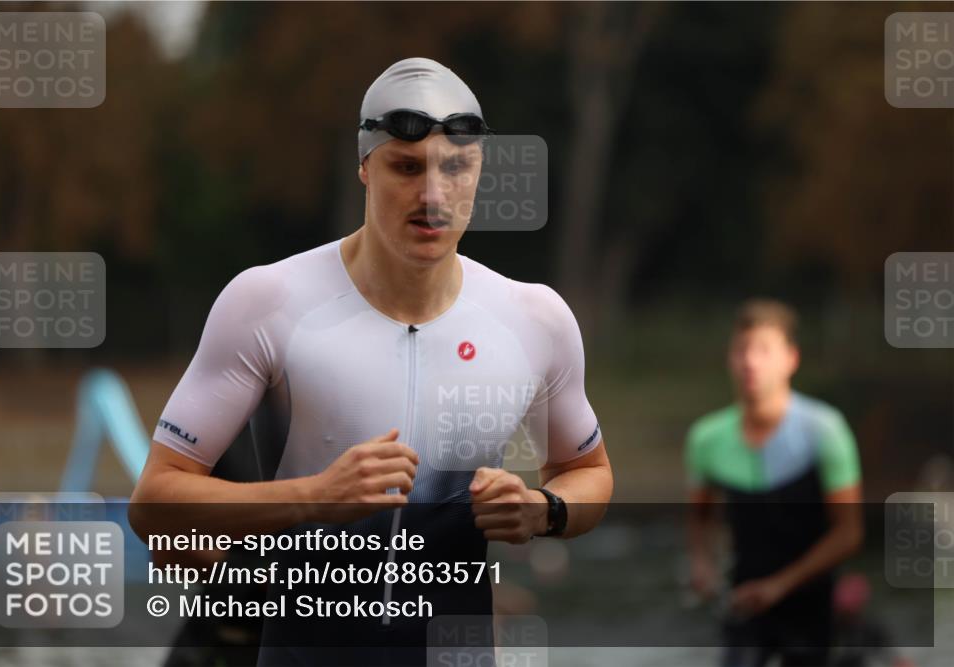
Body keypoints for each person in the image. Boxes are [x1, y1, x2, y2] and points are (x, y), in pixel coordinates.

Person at [130, 57, 613, 666]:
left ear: (479, 171)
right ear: (364, 166)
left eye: (456, 168)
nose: (433, 196)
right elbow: (154, 503)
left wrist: (545, 511)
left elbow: (588, 469)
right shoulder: (268, 301)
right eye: (406, 167)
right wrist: (315, 496)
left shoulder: (533, 318)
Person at [685, 299, 864, 667]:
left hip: (810, 603)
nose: (751, 362)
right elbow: (699, 518)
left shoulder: (824, 430)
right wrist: (702, 564)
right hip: (745, 600)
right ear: (730, 359)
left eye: (764, 350)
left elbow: (849, 533)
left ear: (791, 359)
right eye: (741, 350)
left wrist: (780, 585)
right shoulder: (706, 438)